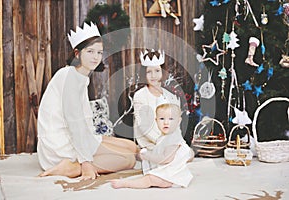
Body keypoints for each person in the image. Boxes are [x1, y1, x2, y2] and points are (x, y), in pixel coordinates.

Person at [37, 22, 137, 180]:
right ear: (77, 54)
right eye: (90, 51)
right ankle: (72, 168)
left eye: (99, 52)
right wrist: (86, 163)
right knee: (128, 159)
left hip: (76, 136)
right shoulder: (68, 76)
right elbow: (75, 122)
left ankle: (158, 156)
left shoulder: (80, 77)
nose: (95, 57)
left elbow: (83, 123)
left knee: (131, 147)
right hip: (60, 144)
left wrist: (94, 142)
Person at [111, 102, 194, 189]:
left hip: (172, 175)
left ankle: (126, 184)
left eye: (171, 119)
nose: (166, 122)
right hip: (169, 171)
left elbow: (165, 159)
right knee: (150, 174)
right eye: (162, 119)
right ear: (156, 121)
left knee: (149, 179)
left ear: (178, 121)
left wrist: (148, 156)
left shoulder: (173, 138)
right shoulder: (166, 136)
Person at [133, 49, 180, 151]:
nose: (153, 76)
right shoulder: (140, 96)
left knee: (188, 154)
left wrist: (174, 141)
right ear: (144, 74)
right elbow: (144, 127)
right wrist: (162, 142)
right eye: (149, 72)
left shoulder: (170, 97)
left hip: (169, 142)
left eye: (157, 71)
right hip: (149, 144)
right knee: (164, 157)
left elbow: (175, 124)